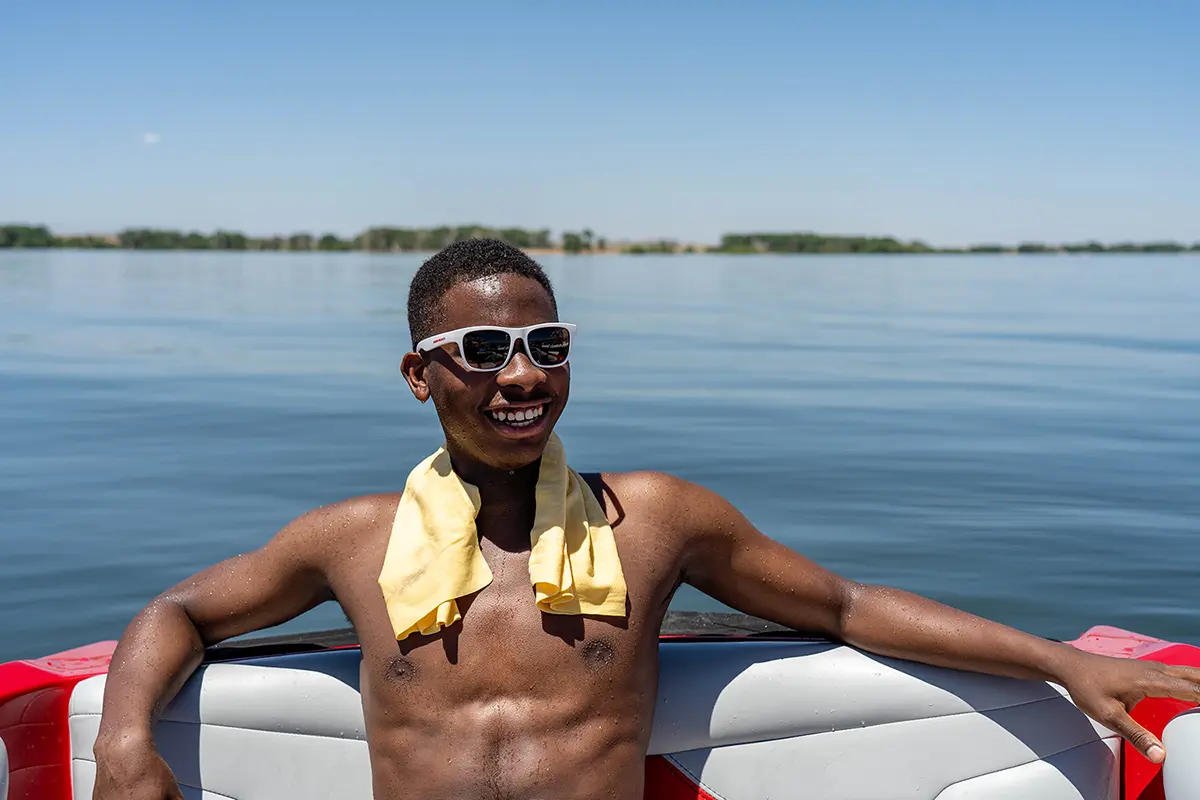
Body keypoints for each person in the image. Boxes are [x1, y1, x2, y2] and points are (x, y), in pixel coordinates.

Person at [93, 239, 1200, 800]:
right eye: (484, 351)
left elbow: (847, 604)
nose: (523, 374)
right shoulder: (351, 538)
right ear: (419, 375)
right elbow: (179, 611)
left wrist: (1061, 661)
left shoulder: (654, 520)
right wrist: (126, 741)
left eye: (548, 344)